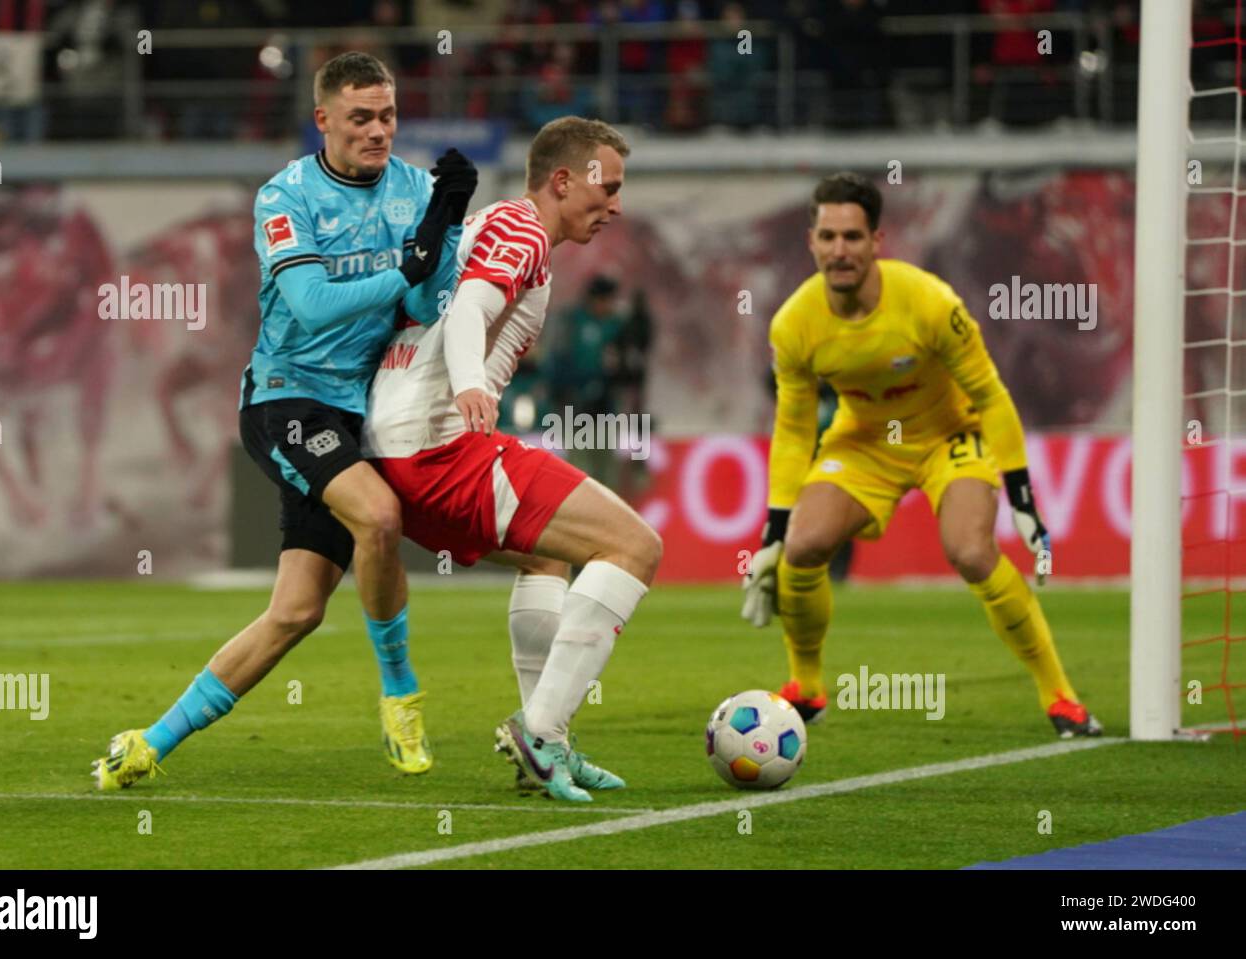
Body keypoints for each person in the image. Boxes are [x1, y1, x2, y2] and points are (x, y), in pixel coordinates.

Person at [92, 51, 476, 789]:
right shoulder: (286, 195)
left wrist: (444, 225)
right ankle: (400, 694)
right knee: (380, 515)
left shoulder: (417, 190)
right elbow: (311, 306)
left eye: (388, 115)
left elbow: (428, 309)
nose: (377, 131)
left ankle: (149, 741)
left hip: (353, 413)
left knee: (296, 612)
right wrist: (412, 260)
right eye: (360, 118)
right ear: (323, 120)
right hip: (285, 397)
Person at [362, 116, 662, 802]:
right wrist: (469, 383)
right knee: (635, 546)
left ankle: (545, 741)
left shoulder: (499, 228)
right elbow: (469, 309)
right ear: (562, 180)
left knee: (547, 556)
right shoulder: (521, 228)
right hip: (439, 446)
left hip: (398, 453)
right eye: (606, 187)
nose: (616, 205)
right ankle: (543, 732)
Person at [742, 172, 1102, 740]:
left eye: (853, 238)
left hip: (947, 438)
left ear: (876, 242)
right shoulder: (794, 325)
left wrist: (1023, 499)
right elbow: (792, 430)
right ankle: (806, 686)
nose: (840, 250)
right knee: (804, 546)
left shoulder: (930, 303)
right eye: (829, 237)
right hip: (864, 443)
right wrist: (773, 532)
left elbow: (989, 394)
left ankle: (1060, 695)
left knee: (970, 552)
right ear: (810, 240)